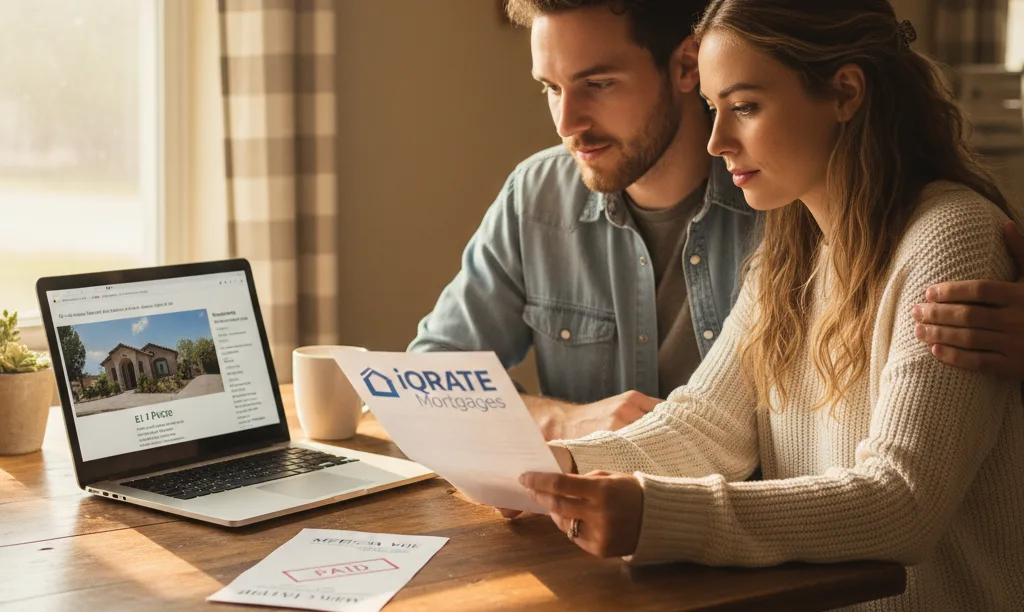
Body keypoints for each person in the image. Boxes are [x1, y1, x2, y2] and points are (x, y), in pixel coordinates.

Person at [515, 1, 1024, 609]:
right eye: (712, 108)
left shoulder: (951, 239)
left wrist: (658, 513)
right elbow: (706, 428)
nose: (716, 141)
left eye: (745, 107)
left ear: (844, 93)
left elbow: (901, 504)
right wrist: (560, 468)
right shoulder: (789, 251)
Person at [408, 0, 1024, 443]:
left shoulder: (790, 198)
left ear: (685, 66)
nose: (567, 122)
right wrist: (564, 420)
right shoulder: (536, 196)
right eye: (550, 87)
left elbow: (902, 467)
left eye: (598, 83)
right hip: (624, 537)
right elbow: (425, 380)